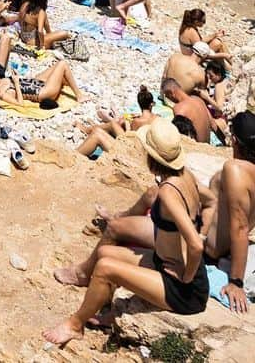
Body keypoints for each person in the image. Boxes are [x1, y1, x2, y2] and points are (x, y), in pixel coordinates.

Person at [45, 120, 209, 346]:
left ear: (152, 157)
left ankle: (75, 325)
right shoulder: (186, 176)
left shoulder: (168, 193)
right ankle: (105, 307)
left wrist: (186, 277)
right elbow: (210, 203)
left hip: (182, 291)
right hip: (165, 263)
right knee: (104, 254)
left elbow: (196, 245)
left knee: (104, 269)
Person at [203, 111, 255, 313]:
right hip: (225, 248)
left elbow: (240, 226)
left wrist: (236, 282)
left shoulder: (235, 169)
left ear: (234, 140)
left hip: (205, 248)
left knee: (119, 229)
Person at [74, 85, 157, 158]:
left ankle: (74, 156)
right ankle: (90, 129)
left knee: (101, 131)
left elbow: (128, 137)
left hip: (132, 153)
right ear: (152, 104)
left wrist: (127, 123)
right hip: (144, 149)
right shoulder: (157, 118)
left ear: (139, 104)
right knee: (114, 123)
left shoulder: (137, 121)